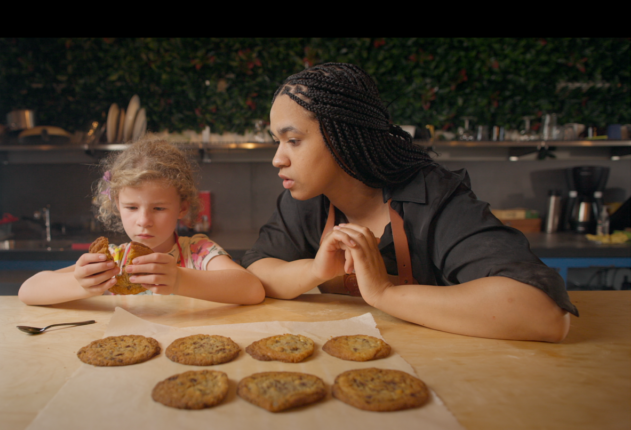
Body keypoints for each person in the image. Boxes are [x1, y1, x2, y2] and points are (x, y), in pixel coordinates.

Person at [242, 62, 576, 342]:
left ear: (344, 137)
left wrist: (385, 293)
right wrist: (314, 270)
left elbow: (543, 314)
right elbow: (257, 272)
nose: (278, 159)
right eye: (277, 141)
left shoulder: (434, 198)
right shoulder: (308, 198)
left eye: (294, 141)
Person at [19, 138, 265, 306]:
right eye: (132, 207)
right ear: (117, 205)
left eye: (158, 208)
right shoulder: (113, 261)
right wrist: (81, 284)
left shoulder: (197, 252)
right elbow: (28, 291)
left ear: (182, 207)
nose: (144, 221)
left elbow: (252, 289)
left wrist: (179, 280)